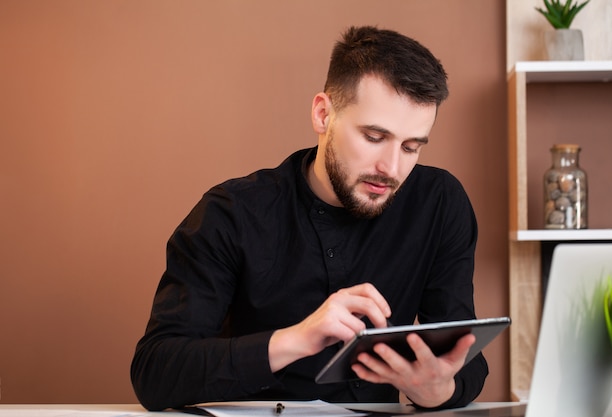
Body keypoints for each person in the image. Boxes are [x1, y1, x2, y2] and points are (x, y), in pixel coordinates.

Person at [131, 25, 488, 411]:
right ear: (323, 114)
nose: (391, 168)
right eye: (373, 137)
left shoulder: (440, 203)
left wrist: (436, 390)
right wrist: (297, 339)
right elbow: (155, 373)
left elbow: (463, 358)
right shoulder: (231, 212)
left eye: (411, 146)